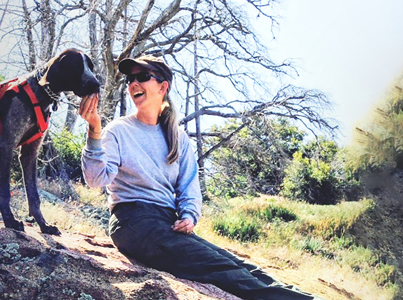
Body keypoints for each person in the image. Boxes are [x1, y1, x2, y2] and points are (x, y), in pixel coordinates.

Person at [79, 55, 317, 300]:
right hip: (134, 223)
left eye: (142, 77)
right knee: (225, 271)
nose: (133, 84)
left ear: (163, 87)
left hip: (167, 223)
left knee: (240, 265)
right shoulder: (117, 131)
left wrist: (189, 216)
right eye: (131, 79)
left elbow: (188, 187)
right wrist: (94, 130)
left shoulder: (177, 136)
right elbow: (95, 179)